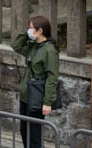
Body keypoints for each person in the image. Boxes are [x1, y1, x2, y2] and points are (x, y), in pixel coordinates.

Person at [12, 15, 60, 148]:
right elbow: (16, 46)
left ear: (40, 31)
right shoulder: (33, 46)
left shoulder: (50, 50)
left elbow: (52, 77)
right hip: (26, 94)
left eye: (31, 28)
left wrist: (47, 102)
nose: (28, 30)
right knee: (24, 130)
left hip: (37, 96)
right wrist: (26, 35)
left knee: (34, 134)